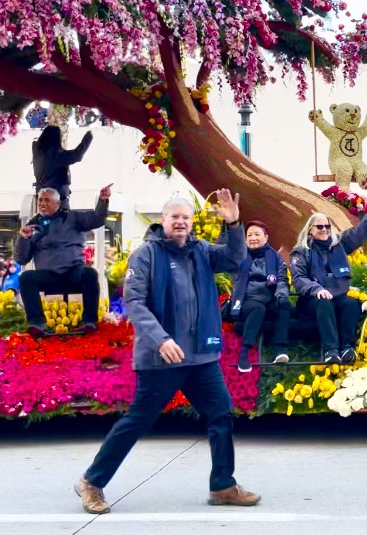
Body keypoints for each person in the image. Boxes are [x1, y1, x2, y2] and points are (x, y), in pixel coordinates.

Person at [75, 191, 260, 514]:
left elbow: (234, 259)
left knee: (220, 414)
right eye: (174, 217)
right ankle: (92, 482)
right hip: (160, 358)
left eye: (185, 218)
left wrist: (233, 224)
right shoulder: (146, 255)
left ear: (191, 223)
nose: (180, 222)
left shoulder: (201, 251)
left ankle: (223, 485)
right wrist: (161, 339)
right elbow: (135, 302)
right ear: (163, 221)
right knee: (138, 421)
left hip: (201, 357)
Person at [291, 202, 367, 364]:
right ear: (311, 230)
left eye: (327, 225)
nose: (325, 229)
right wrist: (316, 288)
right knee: (324, 302)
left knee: (351, 303)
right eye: (320, 227)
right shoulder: (301, 252)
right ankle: (330, 351)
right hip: (312, 300)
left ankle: (347, 348)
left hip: (337, 296)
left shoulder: (338, 244)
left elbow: (358, 234)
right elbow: (299, 278)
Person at [16, 186, 111, 337]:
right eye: (40, 200)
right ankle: (37, 323)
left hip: (72, 272)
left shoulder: (73, 218)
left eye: (47, 200)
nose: (42, 203)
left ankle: (89, 322)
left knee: (90, 274)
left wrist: (103, 201)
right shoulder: (32, 225)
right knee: (26, 278)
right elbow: (22, 258)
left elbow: (96, 219)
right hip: (47, 275)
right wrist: (23, 239)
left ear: (57, 204)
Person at [230, 220, 292, 372]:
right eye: (249, 235)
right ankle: (244, 353)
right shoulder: (240, 258)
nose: (253, 238)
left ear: (266, 237)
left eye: (257, 234)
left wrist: (282, 296)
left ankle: (279, 350)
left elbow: (282, 279)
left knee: (284, 306)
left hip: (269, 297)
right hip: (247, 298)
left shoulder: (275, 258)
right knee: (258, 309)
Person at [32, 125, 93, 211]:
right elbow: (77, 155)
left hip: (43, 197)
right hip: (56, 199)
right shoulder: (55, 154)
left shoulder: (38, 155)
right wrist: (88, 138)